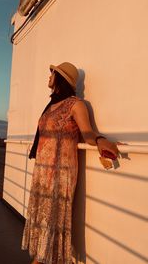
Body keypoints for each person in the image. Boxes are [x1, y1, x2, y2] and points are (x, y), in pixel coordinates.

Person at [21, 62, 119, 264]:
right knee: (42, 214)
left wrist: (100, 141)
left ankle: (46, 259)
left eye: (53, 73)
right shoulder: (51, 105)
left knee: (54, 214)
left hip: (60, 171)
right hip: (43, 169)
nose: (49, 76)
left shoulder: (76, 104)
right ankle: (41, 256)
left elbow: (88, 133)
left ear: (61, 78)